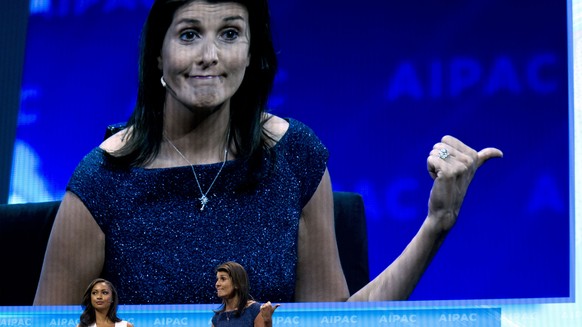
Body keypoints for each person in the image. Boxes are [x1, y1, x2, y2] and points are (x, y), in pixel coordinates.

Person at [33, 0, 503, 305]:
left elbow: (333, 325)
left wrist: (435, 226)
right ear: (158, 56)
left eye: (231, 33)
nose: (210, 56)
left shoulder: (294, 157)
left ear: (253, 53)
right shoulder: (104, 178)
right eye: (189, 34)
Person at [212, 261, 279, 327]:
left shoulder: (254, 310)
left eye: (223, 279)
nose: (217, 284)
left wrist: (268, 321)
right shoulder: (216, 318)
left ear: (237, 283)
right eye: (217, 279)